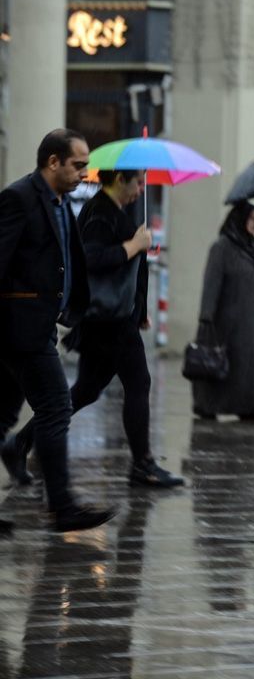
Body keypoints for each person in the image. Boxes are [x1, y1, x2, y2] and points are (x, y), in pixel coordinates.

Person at [20, 169, 183, 488]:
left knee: (87, 389)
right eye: (137, 182)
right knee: (139, 382)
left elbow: (123, 271)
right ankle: (142, 465)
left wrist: (141, 308)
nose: (140, 190)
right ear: (120, 179)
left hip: (112, 316)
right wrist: (133, 246)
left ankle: (22, 444)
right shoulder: (101, 214)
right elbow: (91, 259)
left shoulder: (110, 212)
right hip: (109, 319)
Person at [0, 128, 115, 532]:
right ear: (53, 162)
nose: (85, 172)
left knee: (3, 415)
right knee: (56, 407)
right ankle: (62, 506)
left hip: (39, 325)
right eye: (78, 164)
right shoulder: (19, 199)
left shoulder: (61, 203)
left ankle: (56, 500)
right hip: (20, 328)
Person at [192, 201, 254, 420]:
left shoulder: (253, 249)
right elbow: (211, 283)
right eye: (251, 219)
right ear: (238, 219)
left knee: (250, 366)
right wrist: (206, 317)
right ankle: (211, 405)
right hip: (228, 322)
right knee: (227, 366)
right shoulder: (222, 247)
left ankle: (253, 406)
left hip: (253, 321)